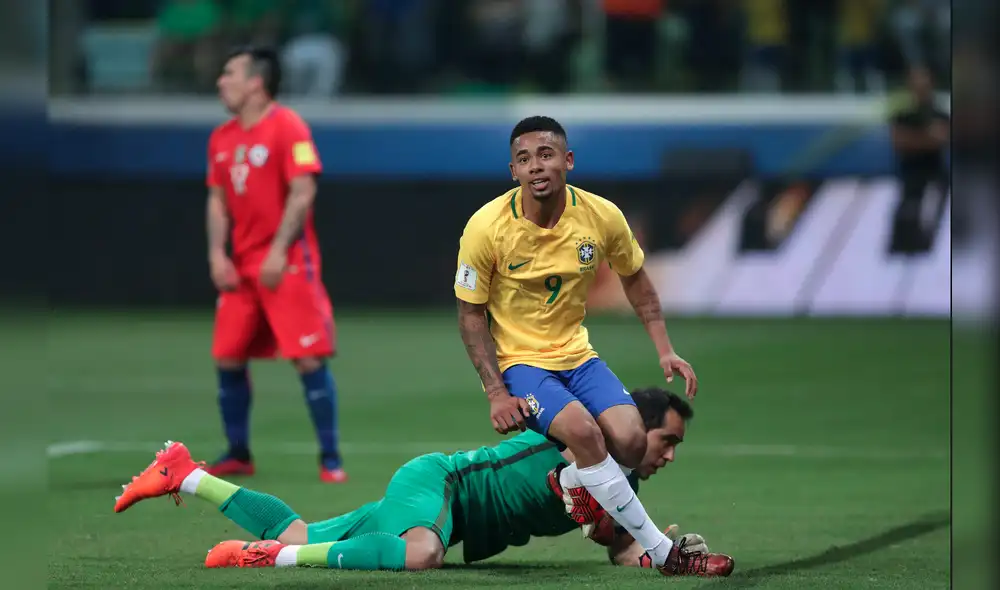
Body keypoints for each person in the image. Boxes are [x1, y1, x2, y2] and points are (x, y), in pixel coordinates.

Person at [112, 387, 734, 577]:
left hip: (439, 500)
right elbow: (574, 480)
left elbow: (619, 542)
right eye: (667, 440)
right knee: (422, 555)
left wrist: (659, 550)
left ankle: (186, 475)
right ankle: (274, 559)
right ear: (632, 427)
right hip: (441, 485)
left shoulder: (617, 485)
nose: (669, 455)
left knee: (303, 527)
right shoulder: (580, 433)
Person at [454, 116, 698, 573]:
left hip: (578, 356)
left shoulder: (601, 216)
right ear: (513, 171)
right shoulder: (485, 227)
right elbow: (470, 315)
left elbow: (636, 280)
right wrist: (495, 393)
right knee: (585, 433)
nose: (536, 167)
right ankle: (662, 553)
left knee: (630, 441)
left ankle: (570, 479)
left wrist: (665, 348)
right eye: (524, 159)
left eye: (545, 155)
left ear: (567, 161)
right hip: (521, 364)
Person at [205, 45, 345, 483]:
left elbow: (303, 191)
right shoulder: (222, 138)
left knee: (307, 358)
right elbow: (217, 201)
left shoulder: (287, 127)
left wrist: (279, 249)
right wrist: (216, 254)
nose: (220, 81)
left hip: (285, 265)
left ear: (255, 82)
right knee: (228, 357)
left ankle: (330, 458)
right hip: (241, 268)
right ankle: (238, 452)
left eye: (229, 73)